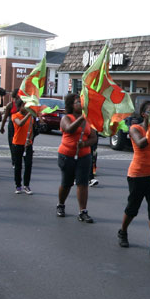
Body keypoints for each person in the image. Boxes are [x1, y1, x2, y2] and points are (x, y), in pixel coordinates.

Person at [117, 100, 150, 258]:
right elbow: (141, 143)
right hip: (137, 175)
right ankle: (123, 231)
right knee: (133, 207)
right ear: (144, 114)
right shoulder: (135, 128)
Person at [56, 93, 97, 221]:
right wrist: (81, 118)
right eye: (78, 102)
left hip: (84, 156)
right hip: (66, 155)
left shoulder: (89, 120)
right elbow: (69, 129)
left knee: (82, 184)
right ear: (71, 105)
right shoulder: (66, 118)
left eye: (82, 102)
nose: (81, 104)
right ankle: (61, 204)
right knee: (67, 183)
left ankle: (82, 211)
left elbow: (94, 137)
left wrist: (84, 143)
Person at [10, 97, 35, 194]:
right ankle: (18, 185)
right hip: (17, 144)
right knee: (18, 165)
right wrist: (29, 114)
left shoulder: (31, 118)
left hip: (27, 144)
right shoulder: (15, 116)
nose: (26, 107)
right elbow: (20, 124)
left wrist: (30, 140)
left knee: (28, 165)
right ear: (20, 107)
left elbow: (31, 130)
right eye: (24, 106)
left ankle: (26, 185)